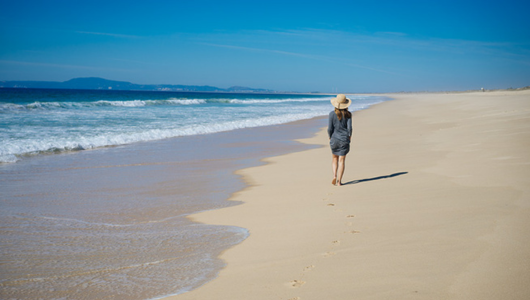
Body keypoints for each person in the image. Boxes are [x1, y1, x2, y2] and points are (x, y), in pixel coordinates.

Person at [328, 94, 352, 186]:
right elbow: (350, 128)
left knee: (334, 158)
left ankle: (334, 176)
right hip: (344, 139)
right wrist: (350, 137)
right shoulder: (348, 114)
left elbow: (329, 129)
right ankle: (339, 181)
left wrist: (330, 137)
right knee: (342, 160)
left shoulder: (331, 114)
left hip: (334, 139)